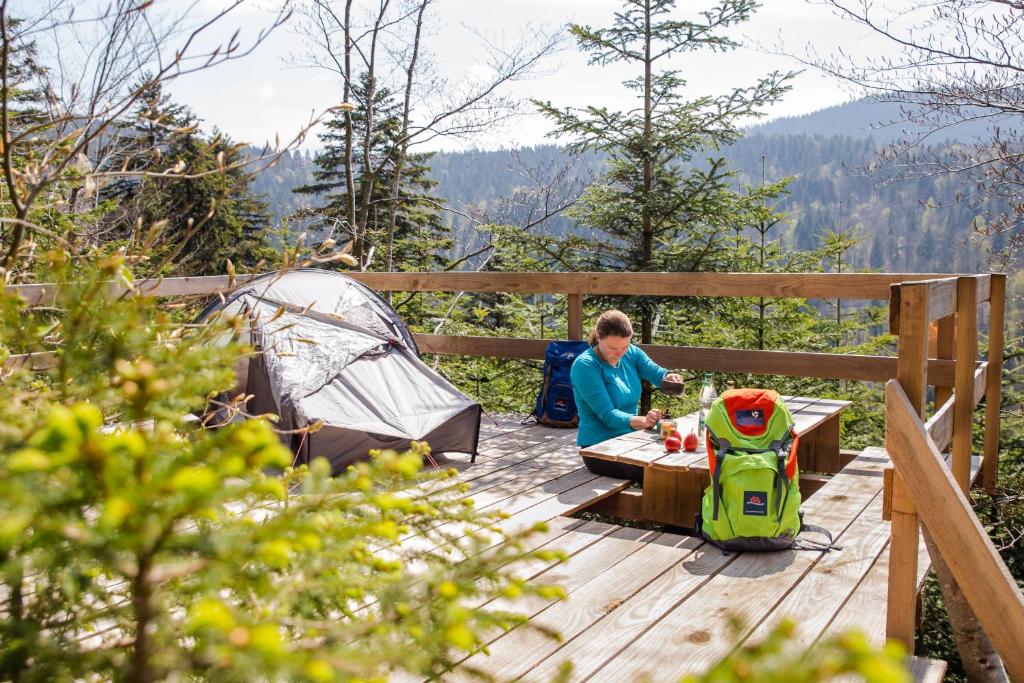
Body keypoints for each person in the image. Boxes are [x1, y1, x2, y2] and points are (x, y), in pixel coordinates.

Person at [570, 309, 684, 483]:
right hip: (599, 448)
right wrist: (643, 421)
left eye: (625, 346)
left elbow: (656, 373)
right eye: (613, 348)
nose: (620, 353)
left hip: (631, 440)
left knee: (678, 462)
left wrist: (669, 377)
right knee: (663, 474)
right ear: (598, 338)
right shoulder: (585, 366)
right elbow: (608, 415)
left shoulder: (631, 353)